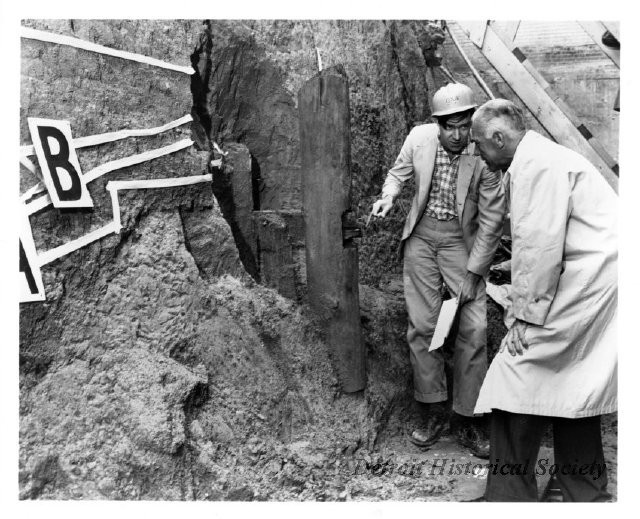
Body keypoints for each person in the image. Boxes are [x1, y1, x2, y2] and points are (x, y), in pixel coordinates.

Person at [470, 99, 617, 502]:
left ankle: (508, 494)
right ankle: (583, 488)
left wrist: (523, 316)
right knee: (574, 383)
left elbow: (539, 246)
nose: (479, 154)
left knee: (514, 372)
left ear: (499, 138)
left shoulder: (536, 166)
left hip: (587, 281)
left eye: (480, 145)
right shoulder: (540, 156)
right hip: (598, 279)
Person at [371, 83, 506, 458]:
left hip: (462, 244)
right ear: (437, 124)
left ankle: (469, 418)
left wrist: (474, 271)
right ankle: (432, 410)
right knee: (423, 326)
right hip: (422, 237)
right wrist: (388, 196)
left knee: (474, 327)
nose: (458, 135)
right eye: (450, 127)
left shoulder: (484, 156)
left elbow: (493, 221)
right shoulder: (419, 139)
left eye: (464, 126)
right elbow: (397, 174)